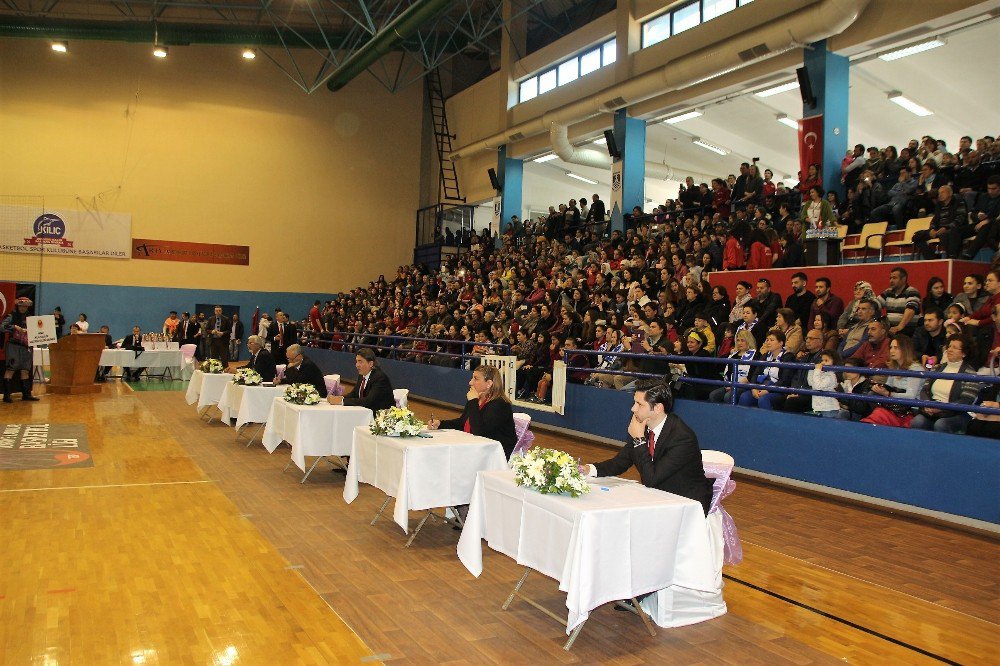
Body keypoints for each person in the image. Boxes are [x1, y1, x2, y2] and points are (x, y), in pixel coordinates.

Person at [584, 381, 713, 516]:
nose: (633, 409)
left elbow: (650, 479)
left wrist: (639, 440)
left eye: (639, 404)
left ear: (657, 408)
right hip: (660, 494)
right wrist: (589, 469)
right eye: (634, 402)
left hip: (687, 503)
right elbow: (620, 462)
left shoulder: (681, 437)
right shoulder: (643, 426)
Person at [427, 365, 517, 459]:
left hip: (494, 454)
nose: (470, 382)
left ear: (489, 383)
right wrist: (440, 424)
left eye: (476, 379)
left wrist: (473, 401)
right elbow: (463, 422)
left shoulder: (500, 404)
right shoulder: (478, 399)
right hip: (477, 447)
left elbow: (479, 431)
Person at [910, 335, 980, 433]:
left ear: (964, 353)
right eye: (949, 346)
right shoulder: (937, 368)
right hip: (932, 410)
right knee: (917, 422)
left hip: (955, 414)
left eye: (955, 347)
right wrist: (927, 404)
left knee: (941, 424)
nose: (950, 350)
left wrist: (941, 408)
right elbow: (924, 390)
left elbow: (966, 400)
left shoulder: (971, 374)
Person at [738, 330, 795, 409]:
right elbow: (755, 374)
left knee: (764, 400)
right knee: (745, 397)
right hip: (761, 386)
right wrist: (754, 388)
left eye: (772, 340)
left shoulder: (788, 357)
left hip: (777, 390)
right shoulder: (764, 356)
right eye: (767, 340)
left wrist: (768, 390)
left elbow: (785, 380)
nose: (768, 342)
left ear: (781, 343)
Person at [329, 348, 395, 411]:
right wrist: (339, 398)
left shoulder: (380, 378)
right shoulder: (362, 376)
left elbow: (368, 401)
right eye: (356, 361)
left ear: (370, 364)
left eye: (360, 362)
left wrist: (341, 401)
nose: (357, 365)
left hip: (380, 417)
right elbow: (354, 394)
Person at [1, 297, 39, 402]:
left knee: (25, 370)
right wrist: (14, 327)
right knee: (10, 369)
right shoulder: (11, 316)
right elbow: (2, 327)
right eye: (22, 306)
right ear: (18, 306)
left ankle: (26, 394)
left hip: (26, 347)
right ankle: (7, 396)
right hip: (13, 346)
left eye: (25, 306)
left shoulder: (31, 318)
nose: (23, 308)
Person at [880, 267, 921, 337]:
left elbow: (910, 310)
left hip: (907, 330)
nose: (891, 281)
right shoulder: (887, 292)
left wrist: (900, 326)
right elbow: (875, 304)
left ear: (903, 279)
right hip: (890, 330)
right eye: (890, 278)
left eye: (894, 278)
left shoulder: (912, 291)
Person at [807, 350, 842, 418]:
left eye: (826, 361)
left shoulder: (831, 376)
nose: (823, 363)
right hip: (819, 408)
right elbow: (811, 383)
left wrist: (817, 371)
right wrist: (812, 370)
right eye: (822, 360)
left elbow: (818, 386)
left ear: (834, 362)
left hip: (829, 409)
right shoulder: (822, 373)